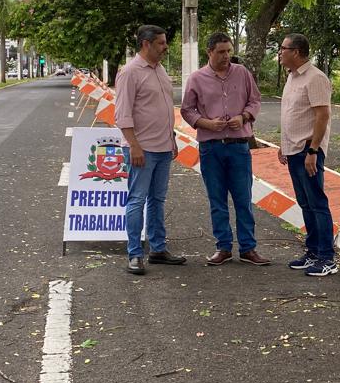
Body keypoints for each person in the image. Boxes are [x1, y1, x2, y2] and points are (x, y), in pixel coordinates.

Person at [181, 32, 268, 266]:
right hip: (211, 148)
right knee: (217, 200)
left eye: (229, 51)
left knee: (243, 198)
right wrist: (206, 123)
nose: (226, 56)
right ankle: (223, 247)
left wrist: (244, 116)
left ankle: (248, 248)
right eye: (221, 52)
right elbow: (187, 109)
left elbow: (255, 100)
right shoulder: (196, 78)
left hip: (238, 146)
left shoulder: (242, 73)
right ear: (209, 52)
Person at [114, 24, 186, 275]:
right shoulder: (130, 72)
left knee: (157, 200)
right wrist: (134, 146)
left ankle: (157, 249)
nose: (166, 47)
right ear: (146, 44)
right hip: (142, 150)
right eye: (161, 43)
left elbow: (163, 108)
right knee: (137, 200)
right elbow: (122, 115)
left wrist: (171, 138)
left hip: (164, 147)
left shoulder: (160, 70)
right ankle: (135, 254)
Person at [276, 33, 337, 277]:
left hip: (308, 150)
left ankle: (327, 257)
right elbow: (293, 114)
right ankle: (312, 252)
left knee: (317, 203)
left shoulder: (315, 78)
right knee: (305, 203)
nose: (280, 52)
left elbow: (322, 116)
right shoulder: (292, 77)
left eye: (283, 48)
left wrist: (313, 150)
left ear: (297, 52)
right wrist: (283, 144)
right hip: (293, 150)